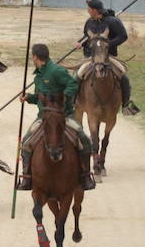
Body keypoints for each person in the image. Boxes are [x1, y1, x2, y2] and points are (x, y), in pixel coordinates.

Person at [15, 43, 95, 192]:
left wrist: (65, 96)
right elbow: (40, 98)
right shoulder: (38, 75)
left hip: (64, 116)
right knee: (26, 142)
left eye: (33, 57)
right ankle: (27, 178)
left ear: (35, 57)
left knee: (84, 139)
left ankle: (85, 176)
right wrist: (28, 98)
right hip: (44, 118)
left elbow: (72, 84)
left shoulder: (57, 71)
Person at [76, 0, 140, 115]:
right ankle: (73, 102)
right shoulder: (89, 22)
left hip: (109, 56)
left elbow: (123, 36)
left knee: (124, 76)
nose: (88, 11)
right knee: (77, 75)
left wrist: (108, 44)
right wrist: (81, 42)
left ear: (94, 10)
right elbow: (86, 36)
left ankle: (126, 104)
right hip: (91, 57)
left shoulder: (113, 21)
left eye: (89, 9)